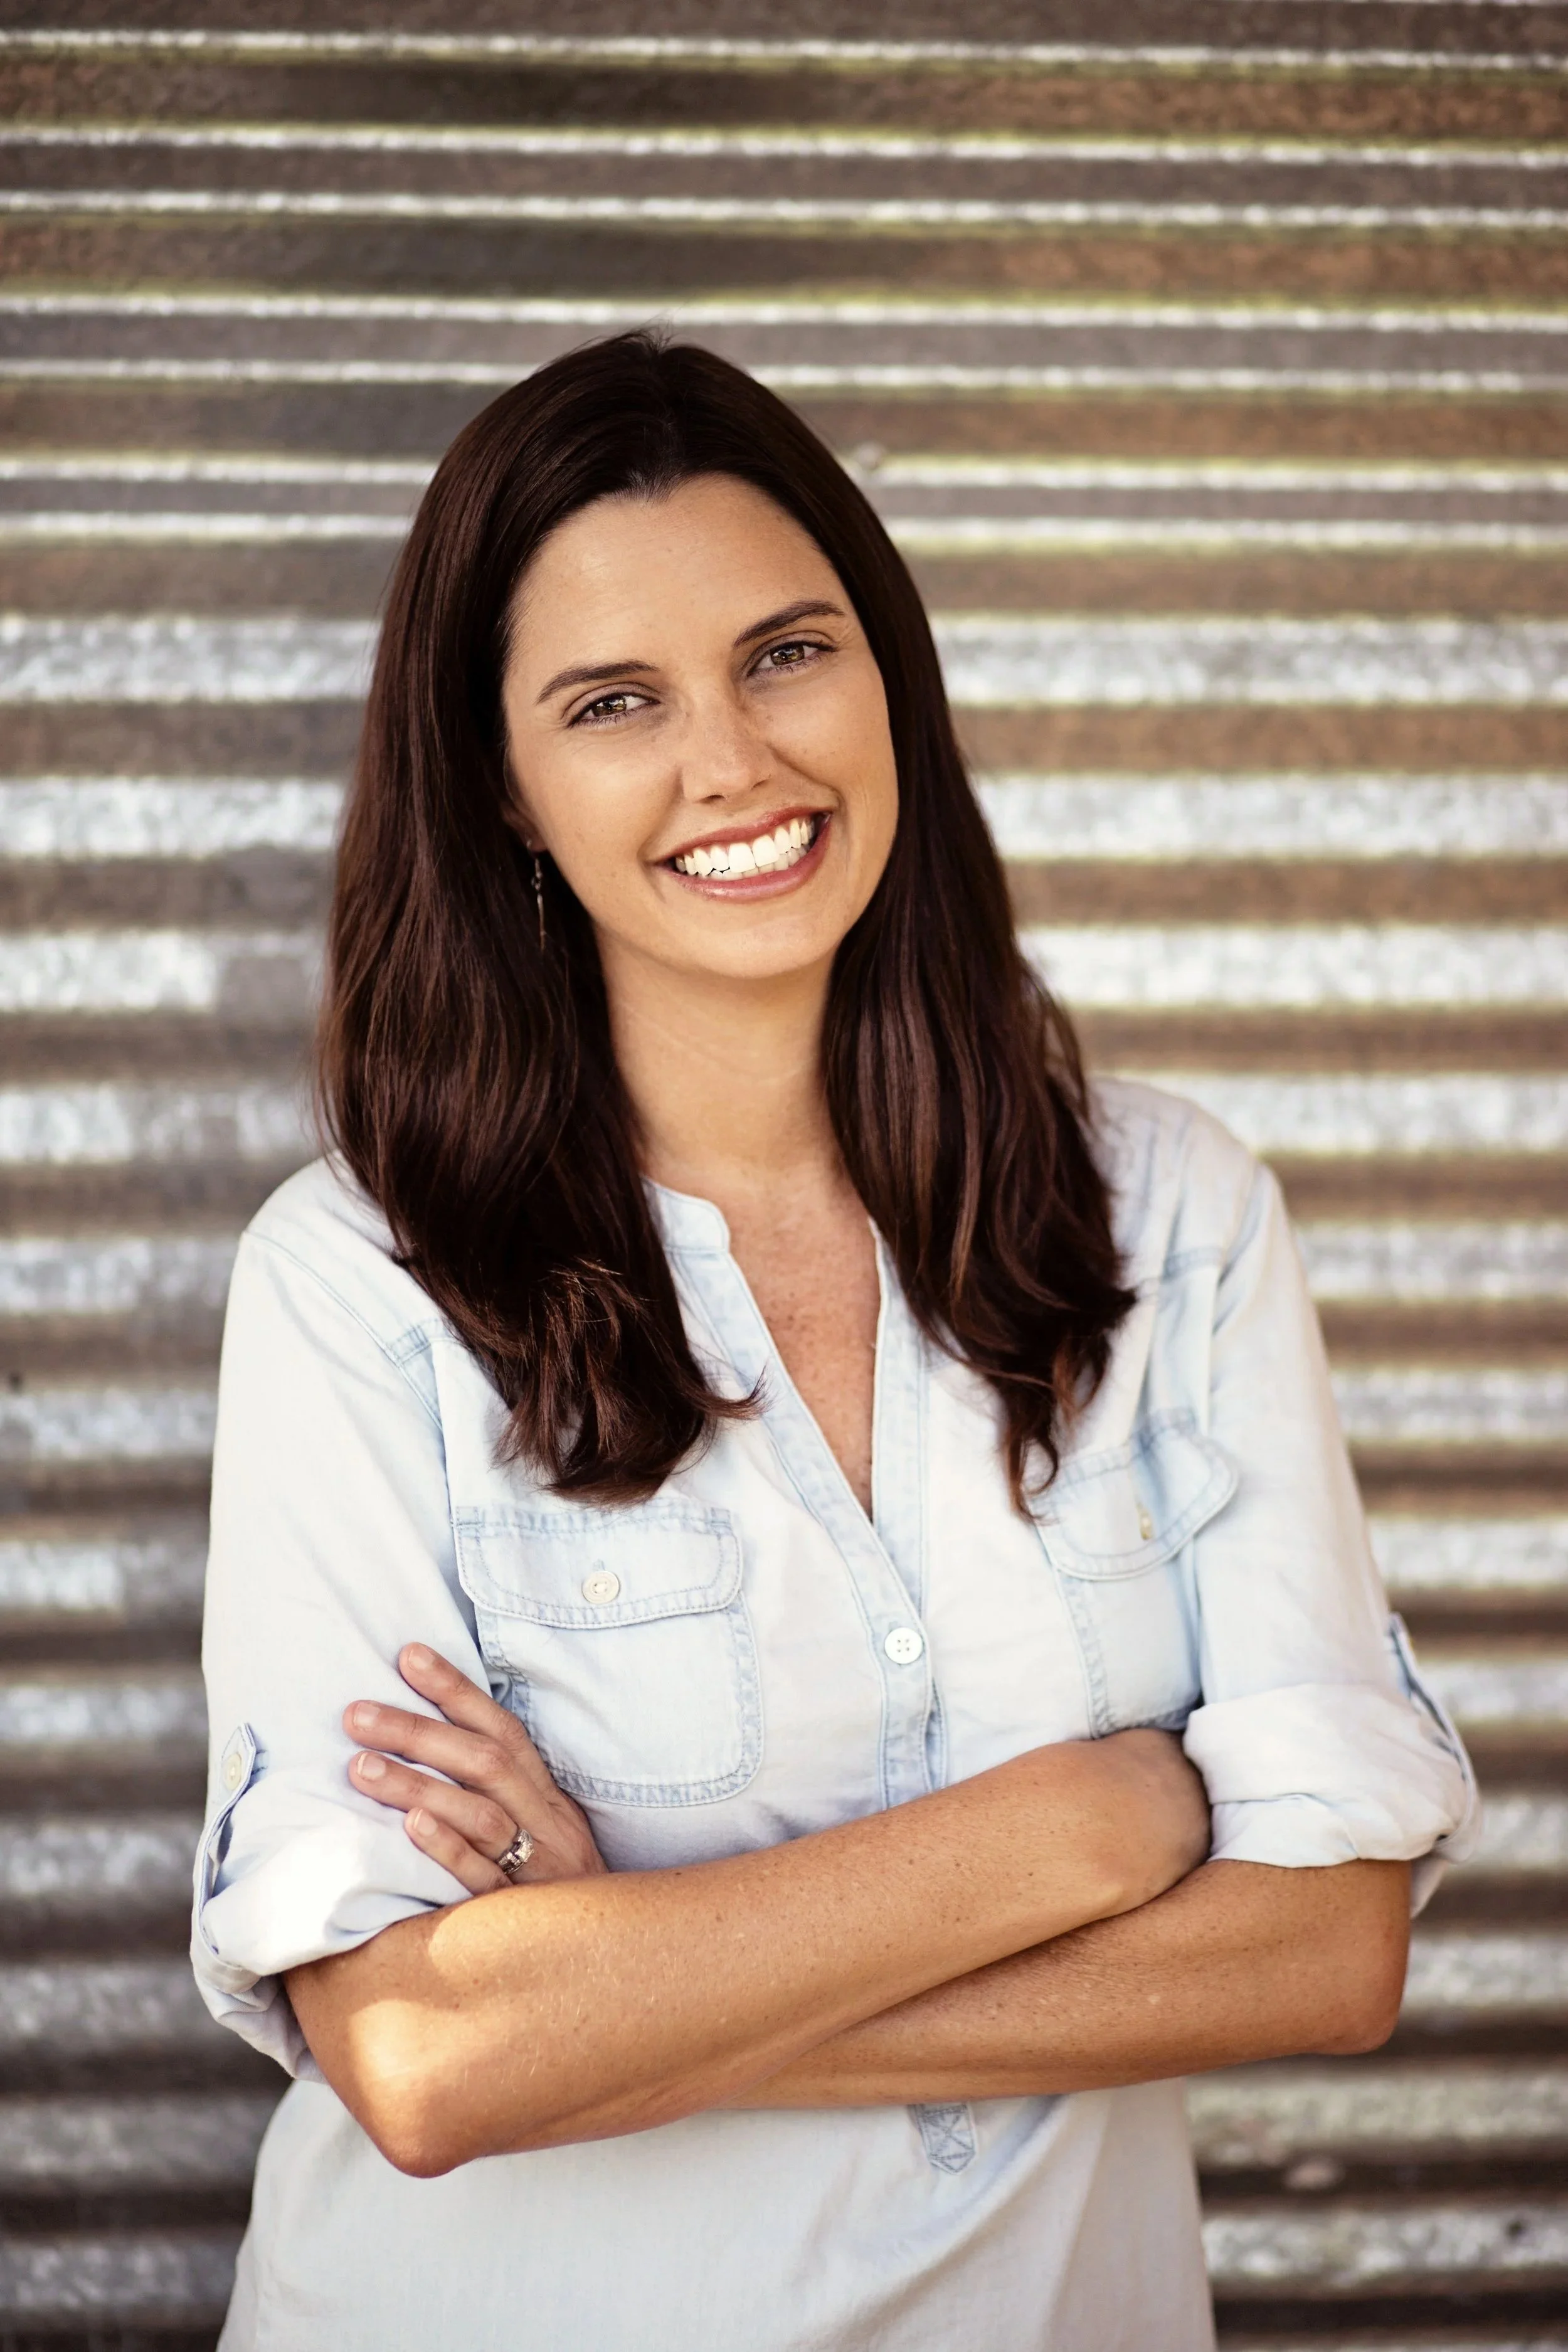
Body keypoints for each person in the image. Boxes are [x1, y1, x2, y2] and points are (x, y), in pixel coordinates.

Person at [193, 332, 1477, 2352]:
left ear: (886, 675)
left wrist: (614, 1984)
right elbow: (428, 2062)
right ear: (505, 792)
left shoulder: (1174, 1216)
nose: (732, 760)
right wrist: (1089, 1828)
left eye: (786, 651)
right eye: (612, 700)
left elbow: (1325, 1951)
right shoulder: (363, 1281)